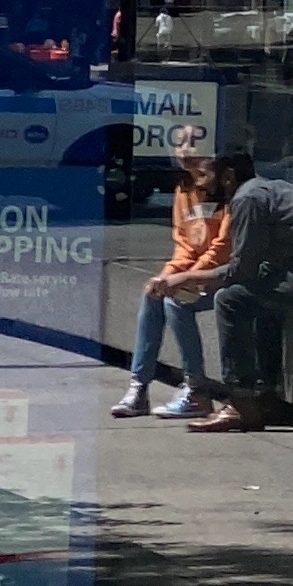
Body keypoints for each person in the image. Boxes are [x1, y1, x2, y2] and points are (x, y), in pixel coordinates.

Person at [164, 151, 293, 427]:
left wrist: (185, 278)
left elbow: (240, 271)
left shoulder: (247, 199)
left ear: (228, 176)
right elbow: (257, 267)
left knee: (231, 299)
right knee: (262, 292)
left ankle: (241, 402)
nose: (202, 185)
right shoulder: (268, 188)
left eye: (207, 176)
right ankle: (266, 396)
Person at [111, 147, 228, 417]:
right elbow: (185, 244)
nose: (185, 150)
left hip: (223, 273)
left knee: (176, 302)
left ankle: (196, 390)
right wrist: (167, 275)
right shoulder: (184, 190)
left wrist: (186, 278)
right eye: (180, 141)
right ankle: (139, 387)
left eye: (193, 141)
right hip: (197, 272)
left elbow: (223, 247)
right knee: (153, 293)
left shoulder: (227, 191)